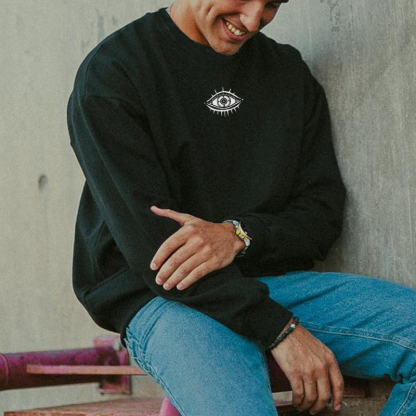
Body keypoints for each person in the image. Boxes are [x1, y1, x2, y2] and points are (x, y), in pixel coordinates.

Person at [67, 1, 416, 415]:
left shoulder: (287, 73)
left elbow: (321, 214)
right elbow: (159, 254)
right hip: (167, 299)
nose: (252, 20)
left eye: (271, 4)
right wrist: (279, 330)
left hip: (275, 285)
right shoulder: (114, 73)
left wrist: (238, 235)